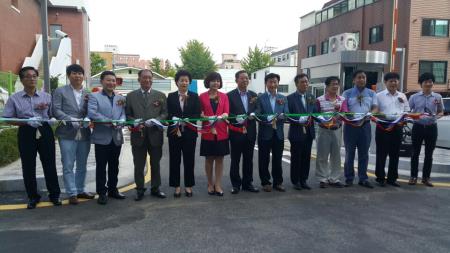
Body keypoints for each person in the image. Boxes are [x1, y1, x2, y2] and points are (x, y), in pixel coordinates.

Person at [3, 66, 61, 209]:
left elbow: (53, 113)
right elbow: (6, 118)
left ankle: (54, 195)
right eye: (28, 76)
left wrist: (53, 118)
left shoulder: (46, 96)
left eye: (34, 76)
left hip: (44, 130)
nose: (32, 79)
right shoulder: (14, 98)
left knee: (49, 163)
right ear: (22, 80)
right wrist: (25, 122)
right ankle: (33, 196)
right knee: (28, 165)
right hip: (26, 131)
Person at [53, 64, 93, 204]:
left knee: (82, 163)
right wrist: (70, 119)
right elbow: (56, 110)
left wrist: (89, 117)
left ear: (83, 76)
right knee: (68, 163)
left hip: (84, 132)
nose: (77, 76)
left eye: (80, 73)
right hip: (67, 133)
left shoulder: (88, 93)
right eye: (74, 73)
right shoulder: (60, 91)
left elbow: (92, 110)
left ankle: (80, 189)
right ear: (69, 75)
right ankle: (71, 192)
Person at [126, 69, 168, 201]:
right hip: (138, 135)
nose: (147, 80)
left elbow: (165, 113)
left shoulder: (160, 95)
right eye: (144, 78)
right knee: (138, 164)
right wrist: (135, 122)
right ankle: (139, 189)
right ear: (139, 79)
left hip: (155, 134)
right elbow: (127, 115)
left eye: (150, 78)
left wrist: (157, 120)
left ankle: (156, 188)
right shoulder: (131, 96)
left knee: (155, 163)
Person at [87, 71, 127, 205]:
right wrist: (109, 121)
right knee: (101, 166)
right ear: (102, 81)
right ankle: (102, 192)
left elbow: (123, 114)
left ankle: (113, 189)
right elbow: (92, 113)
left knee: (114, 165)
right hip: (102, 137)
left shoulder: (120, 98)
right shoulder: (94, 96)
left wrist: (121, 121)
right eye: (108, 80)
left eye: (113, 81)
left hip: (116, 136)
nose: (111, 83)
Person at [166, 70, 201, 198]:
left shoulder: (195, 96)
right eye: (181, 80)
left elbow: (197, 113)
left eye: (186, 80)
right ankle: (176, 186)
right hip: (174, 133)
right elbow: (167, 113)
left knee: (189, 160)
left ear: (189, 83)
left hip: (190, 132)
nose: (184, 82)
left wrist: (189, 119)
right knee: (174, 160)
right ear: (177, 82)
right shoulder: (170, 96)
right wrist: (174, 118)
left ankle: (188, 185)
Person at [341, 70, 378, 188]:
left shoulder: (372, 93)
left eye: (363, 77)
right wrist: (349, 115)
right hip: (350, 126)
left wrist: (370, 114)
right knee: (349, 153)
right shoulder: (347, 93)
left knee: (364, 153)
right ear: (354, 80)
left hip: (365, 126)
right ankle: (349, 178)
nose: (361, 80)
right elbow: (344, 107)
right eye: (359, 77)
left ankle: (363, 178)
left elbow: (375, 108)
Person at [408, 72, 444, 187]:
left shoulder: (437, 97)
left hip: (431, 128)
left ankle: (426, 178)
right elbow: (408, 111)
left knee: (429, 154)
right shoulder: (414, 97)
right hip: (418, 127)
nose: (428, 84)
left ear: (433, 83)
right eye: (426, 82)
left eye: (430, 81)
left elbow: (441, 111)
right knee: (415, 153)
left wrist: (436, 117)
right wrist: (414, 115)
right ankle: (413, 176)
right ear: (421, 84)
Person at [375, 72, 410, 187]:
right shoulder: (379, 96)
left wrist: (403, 118)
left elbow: (407, 111)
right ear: (385, 82)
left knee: (395, 154)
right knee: (381, 153)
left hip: (398, 127)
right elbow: (375, 112)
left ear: (398, 82)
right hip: (383, 126)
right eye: (391, 81)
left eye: (395, 81)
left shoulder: (403, 96)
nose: (393, 83)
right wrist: (384, 118)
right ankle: (380, 177)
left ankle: (392, 178)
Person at [256, 73, 289, 192]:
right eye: (270, 82)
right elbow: (258, 114)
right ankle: (265, 182)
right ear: (266, 83)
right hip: (265, 132)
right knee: (264, 159)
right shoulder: (260, 98)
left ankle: (278, 182)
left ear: (278, 83)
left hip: (278, 133)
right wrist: (267, 118)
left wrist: (282, 116)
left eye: (275, 82)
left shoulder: (283, 98)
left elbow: (287, 114)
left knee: (277, 159)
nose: (273, 84)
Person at [227, 70, 259, 194]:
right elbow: (227, 112)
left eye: (247, 78)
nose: (245, 80)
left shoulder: (253, 95)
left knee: (249, 159)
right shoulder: (229, 95)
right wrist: (235, 117)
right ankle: (235, 184)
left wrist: (254, 113)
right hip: (236, 131)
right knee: (235, 159)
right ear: (236, 80)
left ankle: (248, 183)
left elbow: (258, 108)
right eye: (242, 78)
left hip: (250, 131)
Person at [199, 72, 230, 197]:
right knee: (209, 159)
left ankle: (218, 184)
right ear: (208, 82)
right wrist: (206, 117)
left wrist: (223, 116)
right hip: (208, 132)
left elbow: (227, 112)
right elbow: (199, 114)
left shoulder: (224, 96)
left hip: (221, 132)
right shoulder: (202, 96)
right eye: (213, 80)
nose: (216, 83)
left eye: (218, 81)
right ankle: (209, 183)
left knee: (220, 159)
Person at [287, 74, 318, 190]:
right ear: (296, 84)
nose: (305, 84)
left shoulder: (311, 97)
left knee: (306, 157)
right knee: (296, 157)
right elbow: (287, 116)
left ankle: (304, 179)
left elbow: (315, 112)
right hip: (296, 132)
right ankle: (296, 181)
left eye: (306, 82)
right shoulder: (290, 98)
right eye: (302, 82)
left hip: (309, 132)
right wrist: (297, 119)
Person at [315, 76, 346, 188]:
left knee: (336, 155)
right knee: (322, 155)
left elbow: (345, 113)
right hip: (323, 130)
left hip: (337, 130)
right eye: (332, 84)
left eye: (337, 84)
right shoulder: (319, 100)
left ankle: (334, 178)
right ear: (327, 86)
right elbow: (316, 115)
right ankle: (322, 178)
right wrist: (324, 120)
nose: (335, 86)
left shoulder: (342, 100)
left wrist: (339, 112)